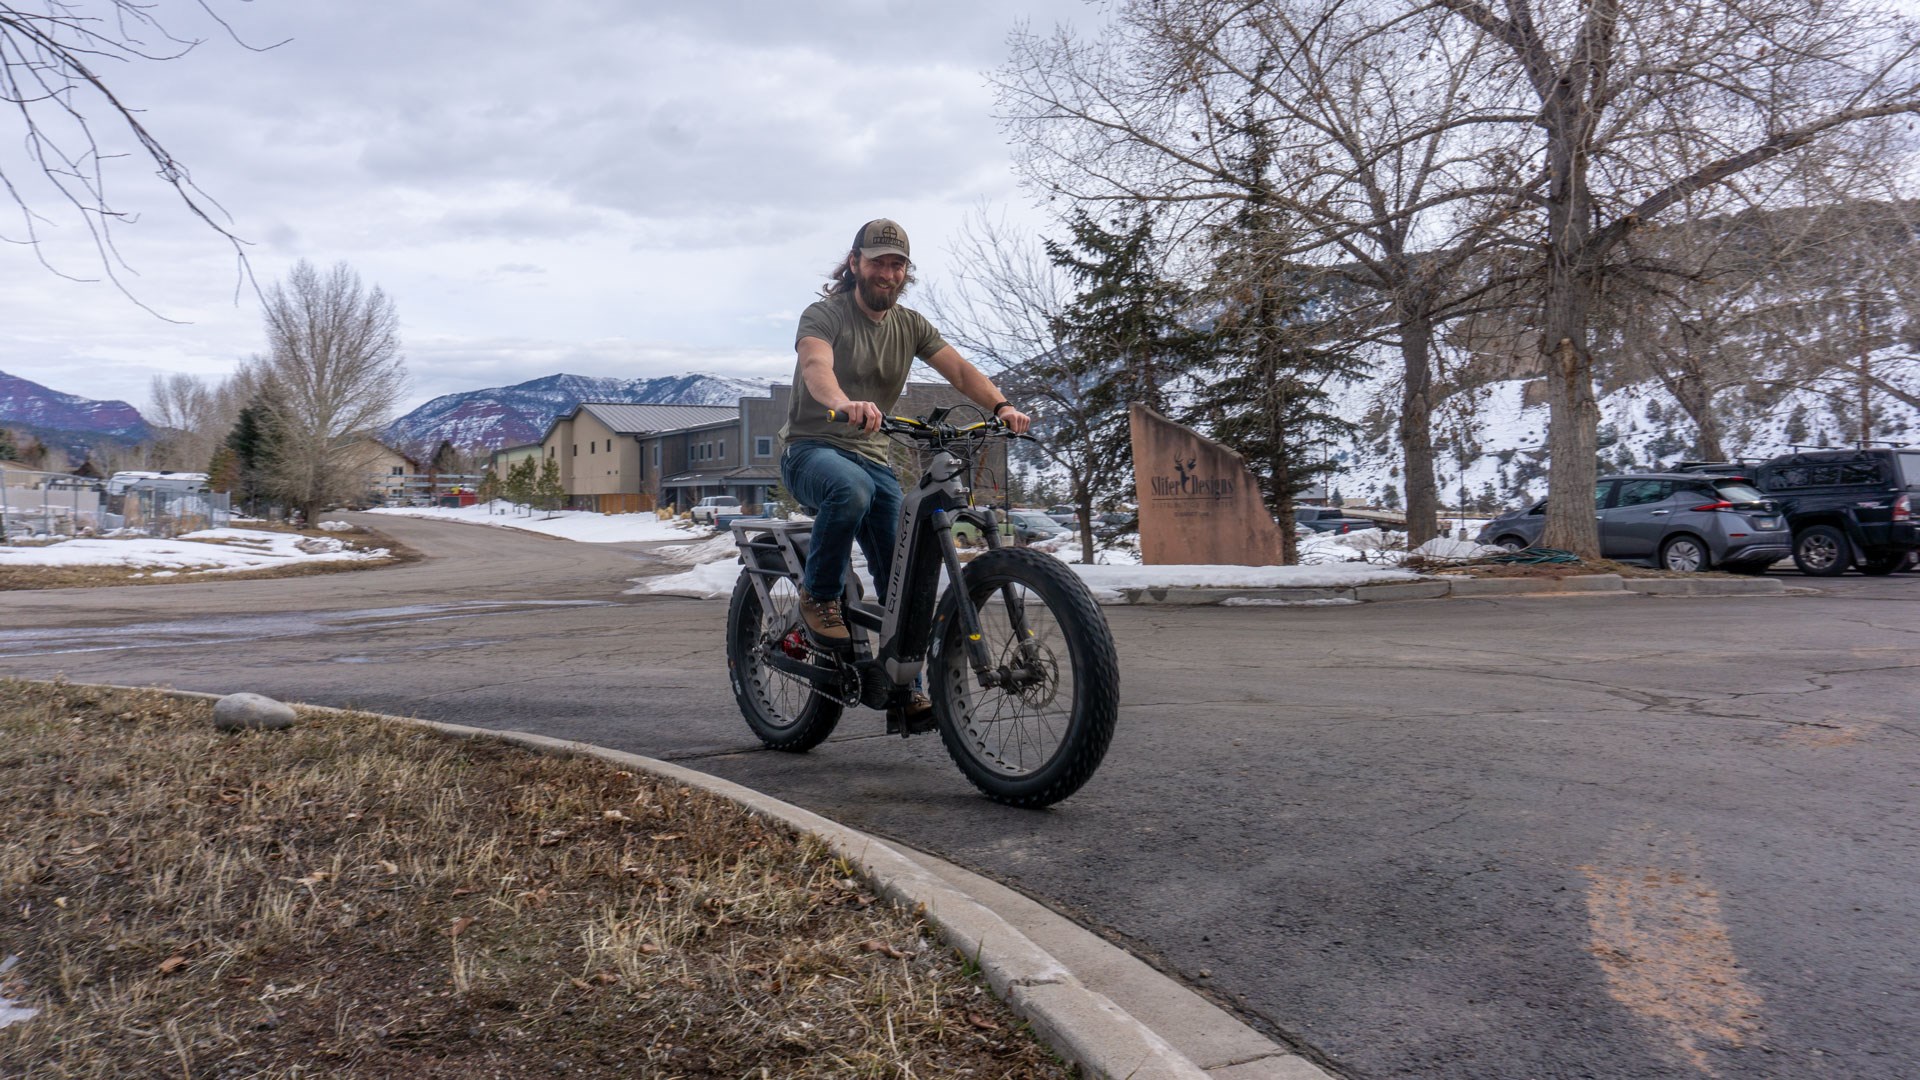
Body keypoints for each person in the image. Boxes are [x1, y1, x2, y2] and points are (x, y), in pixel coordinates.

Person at [779, 218, 1031, 675]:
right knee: (850, 490)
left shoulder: (911, 325)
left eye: (897, 265)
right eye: (878, 262)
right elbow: (817, 365)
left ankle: (902, 678)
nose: (888, 274)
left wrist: (1001, 406)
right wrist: (843, 402)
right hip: (811, 449)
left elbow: (959, 370)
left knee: (904, 564)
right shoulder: (824, 314)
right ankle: (819, 596)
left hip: (871, 458)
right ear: (855, 263)